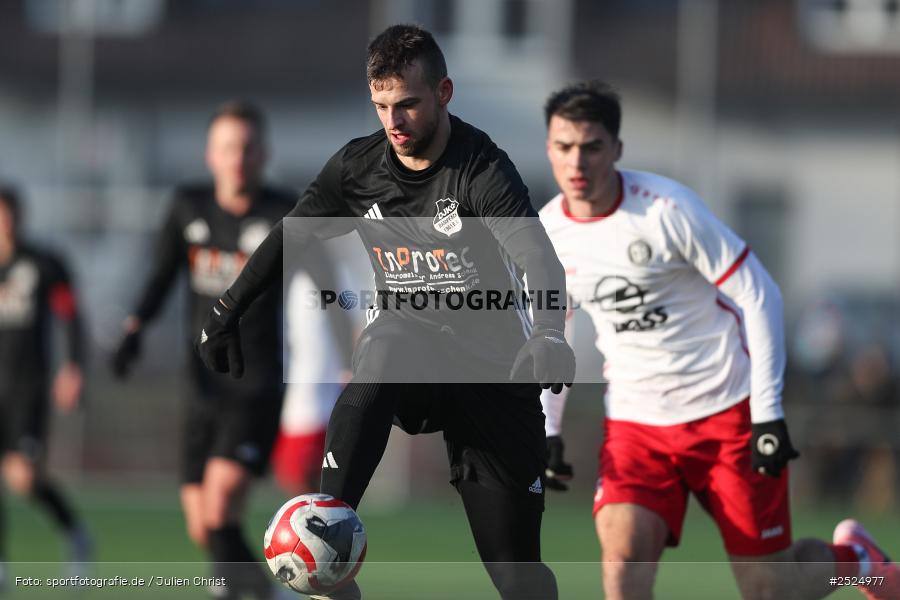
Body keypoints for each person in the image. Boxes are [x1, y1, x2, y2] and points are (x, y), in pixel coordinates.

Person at [195, 25, 575, 600]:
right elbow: (289, 236)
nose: (393, 121)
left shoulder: (481, 169)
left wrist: (548, 331)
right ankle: (329, 531)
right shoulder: (358, 168)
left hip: (491, 374)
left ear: (444, 92)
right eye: (381, 107)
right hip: (407, 353)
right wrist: (228, 310)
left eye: (408, 105)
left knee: (517, 574)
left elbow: (536, 256)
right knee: (385, 351)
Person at [537, 80, 899, 600]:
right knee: (623, 552)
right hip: (638, 427)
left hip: (726, 412)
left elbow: (761, 294)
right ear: (549, 148)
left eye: (592, 147)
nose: (577, 163)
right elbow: (555, 331)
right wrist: (546, 427)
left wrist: (768, 414)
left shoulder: (666, 211)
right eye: (564, 147)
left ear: (616, 150)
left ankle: (856, 564)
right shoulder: (548, 232)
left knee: (772, 587)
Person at [110, 102, 340, 600]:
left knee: (219, 506)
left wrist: (348, 351)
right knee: (207, 527)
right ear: (211, 155)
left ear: (264, 154)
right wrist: (134, 329)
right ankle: (261, 592)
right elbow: (161, 276)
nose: (238, 157)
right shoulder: (187, 206)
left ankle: (247, 593)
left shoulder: (285, 213)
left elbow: (328, 284)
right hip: (200, 385)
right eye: (228, 147)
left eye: (248, 147)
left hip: (255, 383)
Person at [0, 186, 92, 586]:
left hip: (27, 387)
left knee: (23, 479)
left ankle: (75, 533)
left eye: (10, 214)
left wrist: (73, 366)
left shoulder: (44, 263)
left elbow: (71, 316)